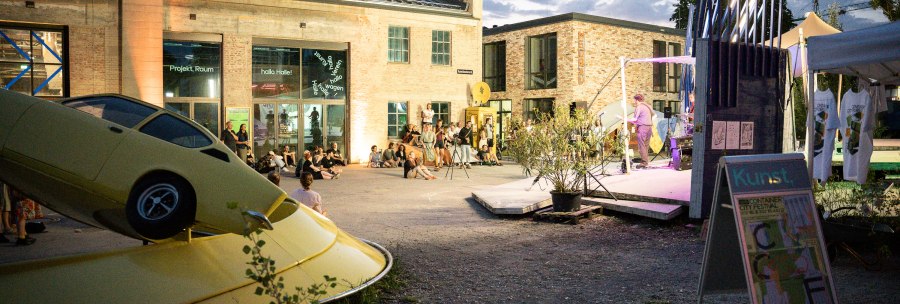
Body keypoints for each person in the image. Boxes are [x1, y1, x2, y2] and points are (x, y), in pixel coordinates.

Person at [627, 93, 654, 169]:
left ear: (636, 100)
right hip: (649, 127)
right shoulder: (648, 106)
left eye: (634, 100)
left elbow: (635, 119)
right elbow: (653, 115)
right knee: (645, 145)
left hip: (643, 127)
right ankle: (645, 161)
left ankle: (644, 162)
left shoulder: (639, 107)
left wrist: (626, 119)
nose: (634, 101)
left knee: (641, 145)